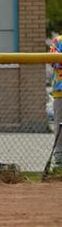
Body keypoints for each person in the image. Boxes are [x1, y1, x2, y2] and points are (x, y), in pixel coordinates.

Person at [50, 35, 62, 166]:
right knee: (60, 124)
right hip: (60, 90)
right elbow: (54, 61)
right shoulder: (58, 41)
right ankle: (59, 157)